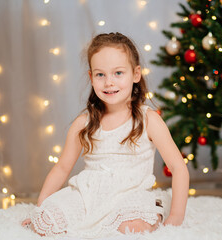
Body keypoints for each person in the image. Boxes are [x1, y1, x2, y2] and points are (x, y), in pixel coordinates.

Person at [21, 32, 189, 238]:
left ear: (136, 74)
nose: (109, 82)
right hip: (88, 195)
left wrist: (177, 216)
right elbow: (62, 168)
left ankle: (152, 213)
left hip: (130, 194)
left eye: (118, 73)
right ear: (91, 77)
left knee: (132, 227)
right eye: (101, 75)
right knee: (44, 223)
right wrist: (42, 207)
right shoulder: (84, 123)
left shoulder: (148, 120)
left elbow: (178, 167)